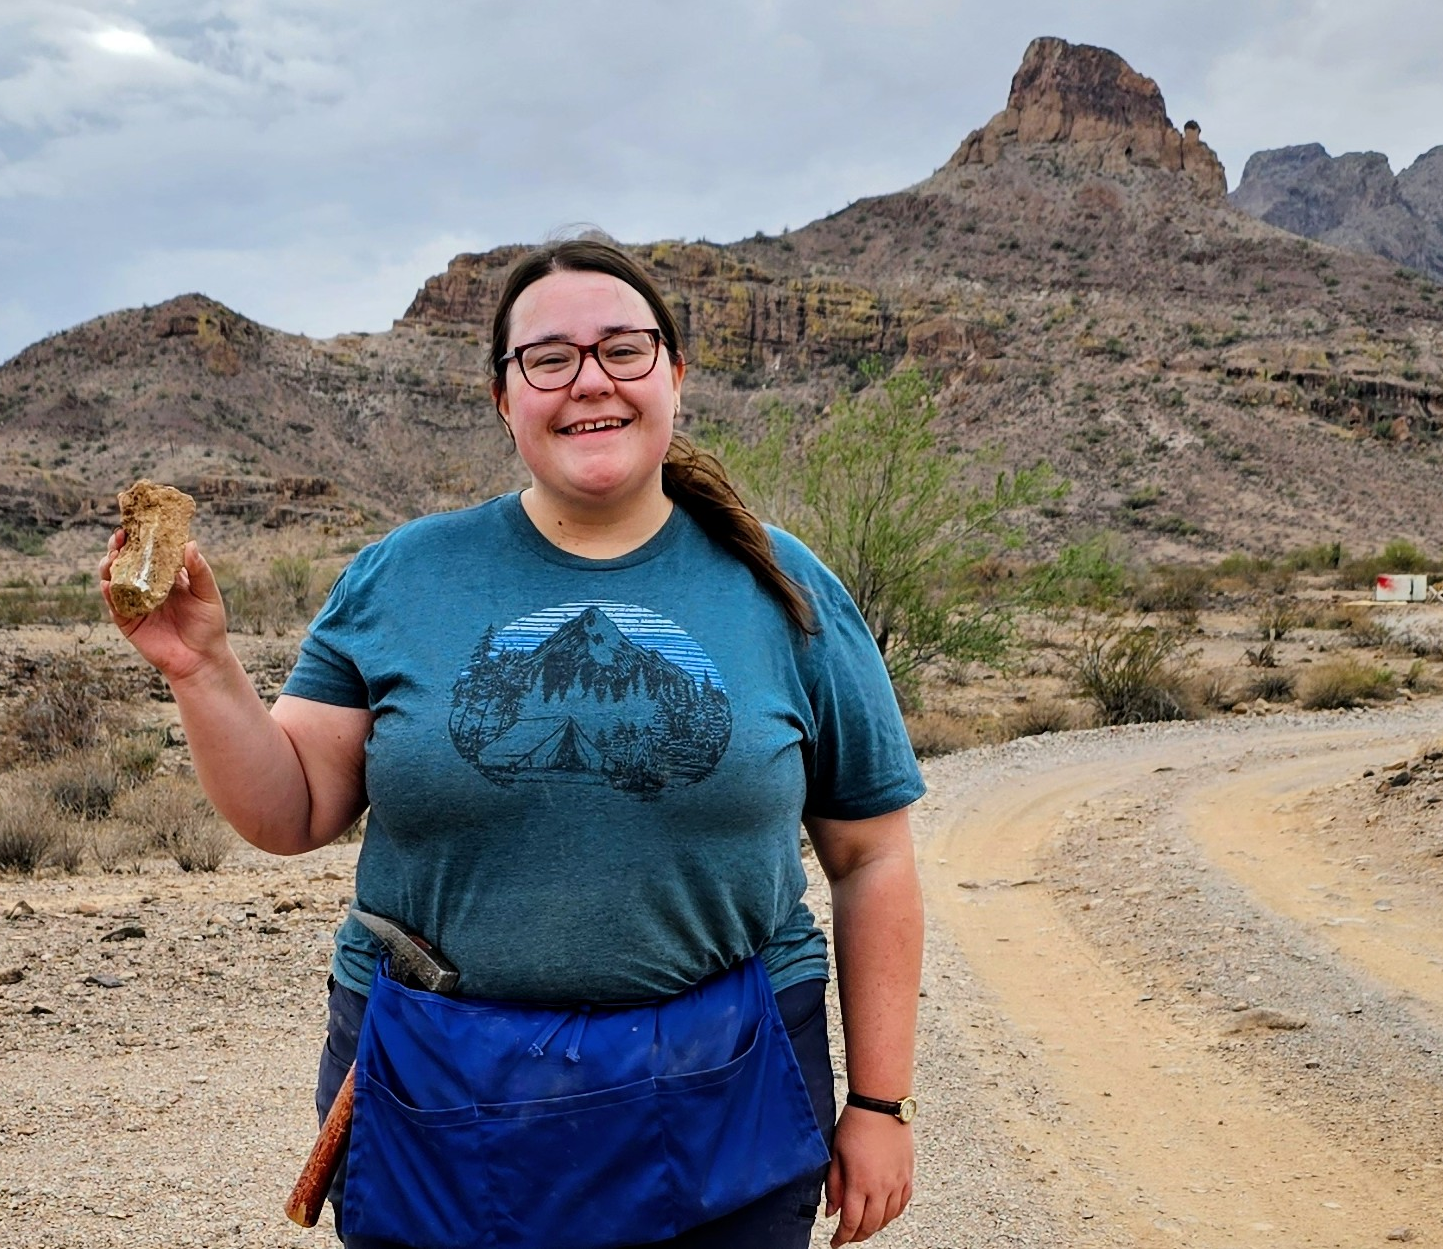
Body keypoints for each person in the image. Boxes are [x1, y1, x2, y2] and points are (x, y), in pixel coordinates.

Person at [102, 236, 925, 1248]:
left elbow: (871, 856)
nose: (590, 381)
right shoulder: (402, 576)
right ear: (504, 398)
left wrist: (878, 1105)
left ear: (673, 373)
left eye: (622, 349)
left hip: (728, 1079)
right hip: (435, 1090)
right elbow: (291, 810)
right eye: (549, 358)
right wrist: (202, 668)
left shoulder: (783, 587)